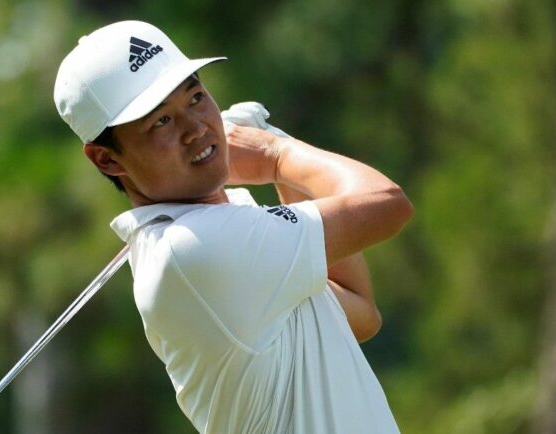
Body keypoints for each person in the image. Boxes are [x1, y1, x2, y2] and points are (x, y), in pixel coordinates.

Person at [53, 20, 413, 434]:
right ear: (107, 159)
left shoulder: (224, 229)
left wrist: (282, 167)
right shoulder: (194, 249)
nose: (197, 128)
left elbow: (358, 315)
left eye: (195, 97)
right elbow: (387, 204)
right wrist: (276, 154)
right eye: (161, 123)